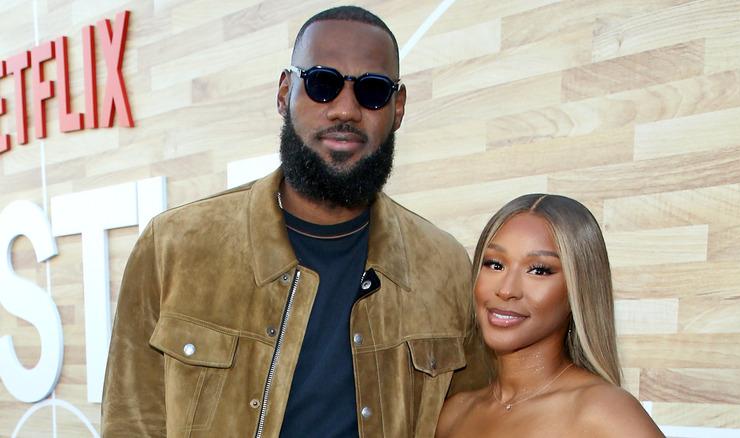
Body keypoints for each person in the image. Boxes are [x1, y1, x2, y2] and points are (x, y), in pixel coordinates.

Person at [101, 6, 487, 438]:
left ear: (397, 108)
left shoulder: (445, 268)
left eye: (372, 92)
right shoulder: (173, 246)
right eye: (323, 83)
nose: (345, 109)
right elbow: (130, 423)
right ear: (285, 92)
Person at [436, 194, 665, 438]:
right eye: (495, 264)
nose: (506, 289)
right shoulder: (454, 414)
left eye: (539, 270)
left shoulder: (605, 412)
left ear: (578, 290)